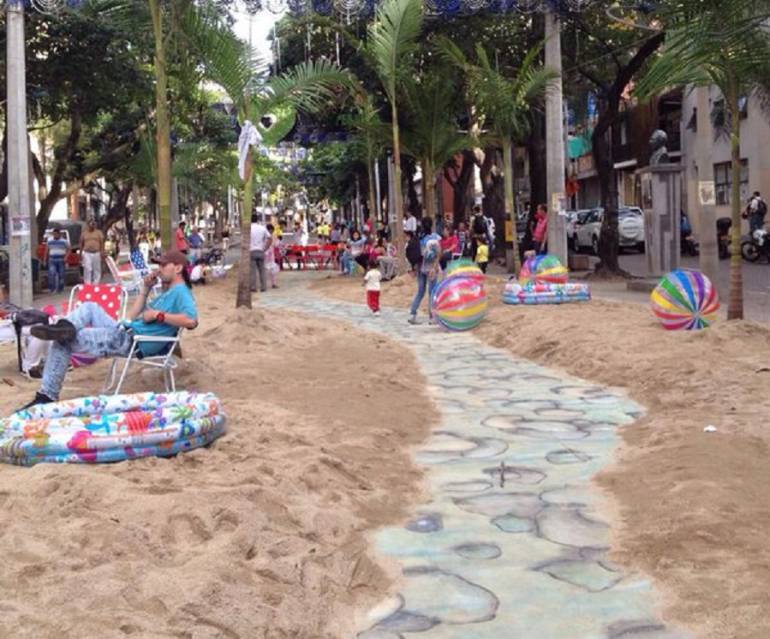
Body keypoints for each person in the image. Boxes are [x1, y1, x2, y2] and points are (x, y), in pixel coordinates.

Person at [19, 250, 198, 409]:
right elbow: (132, 316)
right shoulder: (168, 293)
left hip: (133, 341)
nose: (159, 269)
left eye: (163, 265)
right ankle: (65, 327)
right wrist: (145, 289)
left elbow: (192, 321)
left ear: (177, 268)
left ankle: (46, 396)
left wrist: (159, 315)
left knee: (62, 341)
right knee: (89, 307)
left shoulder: (181, 291)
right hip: (126, 331)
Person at [408, 217, 442, 325]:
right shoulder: (435, 238)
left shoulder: (419, 237)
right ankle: (432, 317)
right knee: (432, 292)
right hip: (430, 267)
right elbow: (438, 253)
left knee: (420, 291)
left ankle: (413, 315)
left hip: (419, 267)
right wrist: (434, 267)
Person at [250, 214, 272, 293]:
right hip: (260, 251)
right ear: (257, 220)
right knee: (262, 270)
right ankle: (263, 287)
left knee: (252, 271)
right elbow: (270, 238)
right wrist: (265, 248)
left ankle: (253, 287)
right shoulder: (262, 228)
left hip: (251, 251)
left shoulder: (249, 229)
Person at [44, 229, 70, 294]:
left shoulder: (64, 241)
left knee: (61, 275)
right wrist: (45, 259)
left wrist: (66, 257)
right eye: (54, 234)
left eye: (56, 234)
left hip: (61, 259)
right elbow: (46, 250)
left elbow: (69, 249)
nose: (55, 235)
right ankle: (52, 289)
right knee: (52, 274)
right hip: (52, 259)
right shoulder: (50, 241)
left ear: (59, 234)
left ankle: (60, 289)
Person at [80, 218, 105, 285]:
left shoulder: (99, 232)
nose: (93, 225)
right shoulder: (84, 233)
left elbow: (102, 243)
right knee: (87, 268)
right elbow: (81, 244)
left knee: (97, 269)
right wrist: (80, 254)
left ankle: (96, 283)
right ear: (88, 225)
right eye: (91, 224)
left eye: (94, 224)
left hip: (96, 253)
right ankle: (87, 283)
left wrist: (102, 252)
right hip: (87, 253)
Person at [265, 223, 279, 289]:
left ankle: (273, 283)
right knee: (270, 269)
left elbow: (276, 244)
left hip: (268, 254)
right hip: (267, 254)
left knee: (271, 269)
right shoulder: (271, 236)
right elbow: (276, 244)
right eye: (271, 230)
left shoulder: (270, 235)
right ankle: (272, 283)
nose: (271, 232)